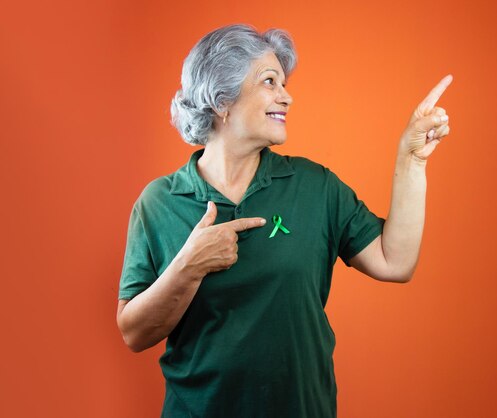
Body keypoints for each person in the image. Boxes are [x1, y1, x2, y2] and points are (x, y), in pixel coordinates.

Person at [117, 23, 452, 418]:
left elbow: (395, 262)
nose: (287, 96)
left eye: (284, 83)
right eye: (269, 82)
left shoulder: (315, 186)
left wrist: (411, 160)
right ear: (221, 99)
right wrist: (188, 267)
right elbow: (134, 334)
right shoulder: (160, 202)